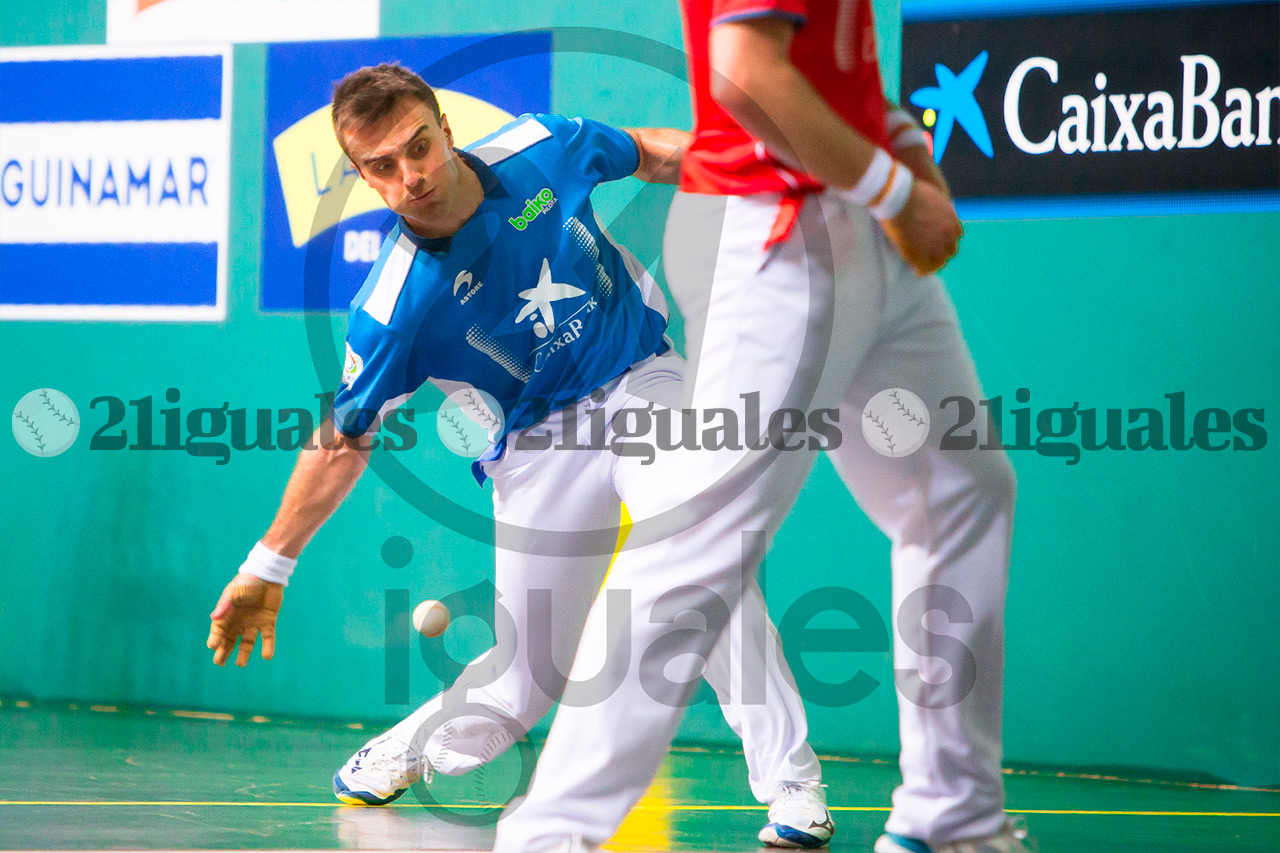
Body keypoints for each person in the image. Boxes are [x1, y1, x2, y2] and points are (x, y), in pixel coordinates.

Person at [205, 63, 834, 848]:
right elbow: (345, 439)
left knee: (696, 551)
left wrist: (757, 171)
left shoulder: (543, 148)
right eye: (382, 167)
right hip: (536, 449)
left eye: (418, 147)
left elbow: (649, 151)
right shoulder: (392, 307)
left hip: (640, 377)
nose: (410, 176)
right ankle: (410, 742)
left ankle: (792, 785)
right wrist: (270, 564)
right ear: (363, 178)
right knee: (523, 681)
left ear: (445, 127)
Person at [491, 2, 1031, 852]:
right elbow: (743, 71)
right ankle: (550, 835)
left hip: (863, 221)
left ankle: (949, 813)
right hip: (784, 230)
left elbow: (836, 76)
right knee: (702, 537)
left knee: (962, 490)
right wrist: (895, 188)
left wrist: (911, 163)